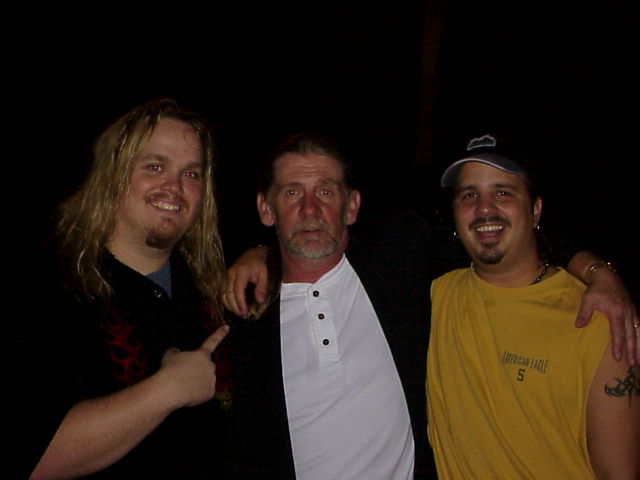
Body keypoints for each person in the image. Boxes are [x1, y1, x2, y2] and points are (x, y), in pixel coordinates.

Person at [225, 132, 638, 479]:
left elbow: (506, 235)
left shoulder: (402, 264)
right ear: (265, 208)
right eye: (292, 192)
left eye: (326, 191)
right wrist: (261, 252)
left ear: (351, 206)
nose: (310, 209)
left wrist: (599, 271)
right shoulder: (244, 312)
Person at [7, 99, 231, 479]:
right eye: (155, 167)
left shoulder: (213, 289)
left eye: (191, 174)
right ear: (113, 174)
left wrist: (264, 255)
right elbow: (34, 457)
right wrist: (168, 390)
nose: (175, 187)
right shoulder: (48, 287)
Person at [427, 134, 640, 478]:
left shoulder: (598, 318)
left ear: (536, 209)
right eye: (469, 195)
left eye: (503, 193)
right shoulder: (438, 294)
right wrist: (596, 267)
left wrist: (600, 272)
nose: (484, 208)